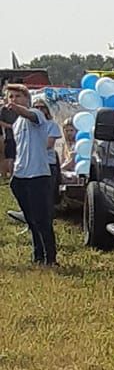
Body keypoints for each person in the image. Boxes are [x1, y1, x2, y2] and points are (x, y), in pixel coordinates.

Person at [3, 81, 61, 266]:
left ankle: (50, 258)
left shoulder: (35, 114)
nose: (13, 100)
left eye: (18, 96)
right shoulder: (17, 123)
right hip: (20, 176)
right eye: (10, 97)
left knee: (42, 219)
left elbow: (27, 113)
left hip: (38, 175)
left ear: (27, 99)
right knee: (31, 220)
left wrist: (15, 107)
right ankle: (38, 255)